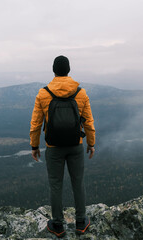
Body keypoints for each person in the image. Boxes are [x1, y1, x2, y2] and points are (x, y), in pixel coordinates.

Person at [30, 55, 96, 238]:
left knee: (55, 185)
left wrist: (34, 146)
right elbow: (88, 122)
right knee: (78, 182)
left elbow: (35, 124)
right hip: (76, 145)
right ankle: (81, 222)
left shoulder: (44, 93)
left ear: (53, 70)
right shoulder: (80, 93)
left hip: (53, 148)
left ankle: (57, 225)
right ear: (69, 70)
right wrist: (91, 143)